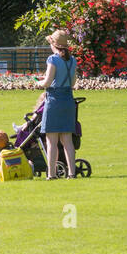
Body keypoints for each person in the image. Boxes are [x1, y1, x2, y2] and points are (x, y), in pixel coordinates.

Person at [36, 31, 78, 179]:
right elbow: (72, 83)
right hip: (68, 100)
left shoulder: (52, 59)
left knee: (51, 140)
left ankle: (51, 174)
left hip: (54, 100)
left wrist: (38, 82)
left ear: (53, 44)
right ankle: (72, 173)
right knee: (67, 139)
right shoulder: (72, 60)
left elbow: (47, 82)